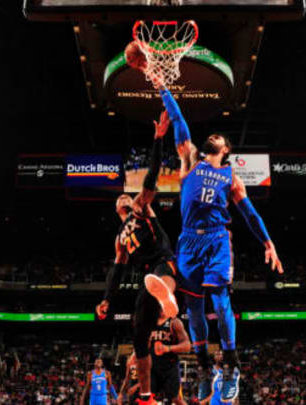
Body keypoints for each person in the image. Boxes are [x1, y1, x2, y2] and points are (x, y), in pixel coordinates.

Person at [159, 87, 284, 402]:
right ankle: (203, 369)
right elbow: (179, 120)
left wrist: (268, 243)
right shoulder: (189, 160)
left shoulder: (232, 178)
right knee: (193, 310)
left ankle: (230, 365)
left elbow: (250, 214)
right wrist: (163, 88)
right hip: (188, 241)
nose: (212, 136)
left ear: (226, 149)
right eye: (211, 134)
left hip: (217, 239)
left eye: (219, 136)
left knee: (220, 300)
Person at [96, 110, 180, 405]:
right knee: (139, 340)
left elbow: (152, 174)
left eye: (127, 196)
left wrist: (158, 139)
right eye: (121, 198)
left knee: (158, 276)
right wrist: (107, 298)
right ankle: (145, 397)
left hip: (163, 260)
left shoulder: (141, 207)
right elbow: (117, 271)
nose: (125, 198)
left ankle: (168, 300)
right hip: (146, 279)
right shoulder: (119, 238)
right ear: (116, 208)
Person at [149, 317, 191, 405]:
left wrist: (168, 348)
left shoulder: (174, 322)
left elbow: (187, 346)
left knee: (176, 398)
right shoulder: (148, 322)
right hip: (153, 366)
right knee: (147, 397)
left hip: (169, 367)